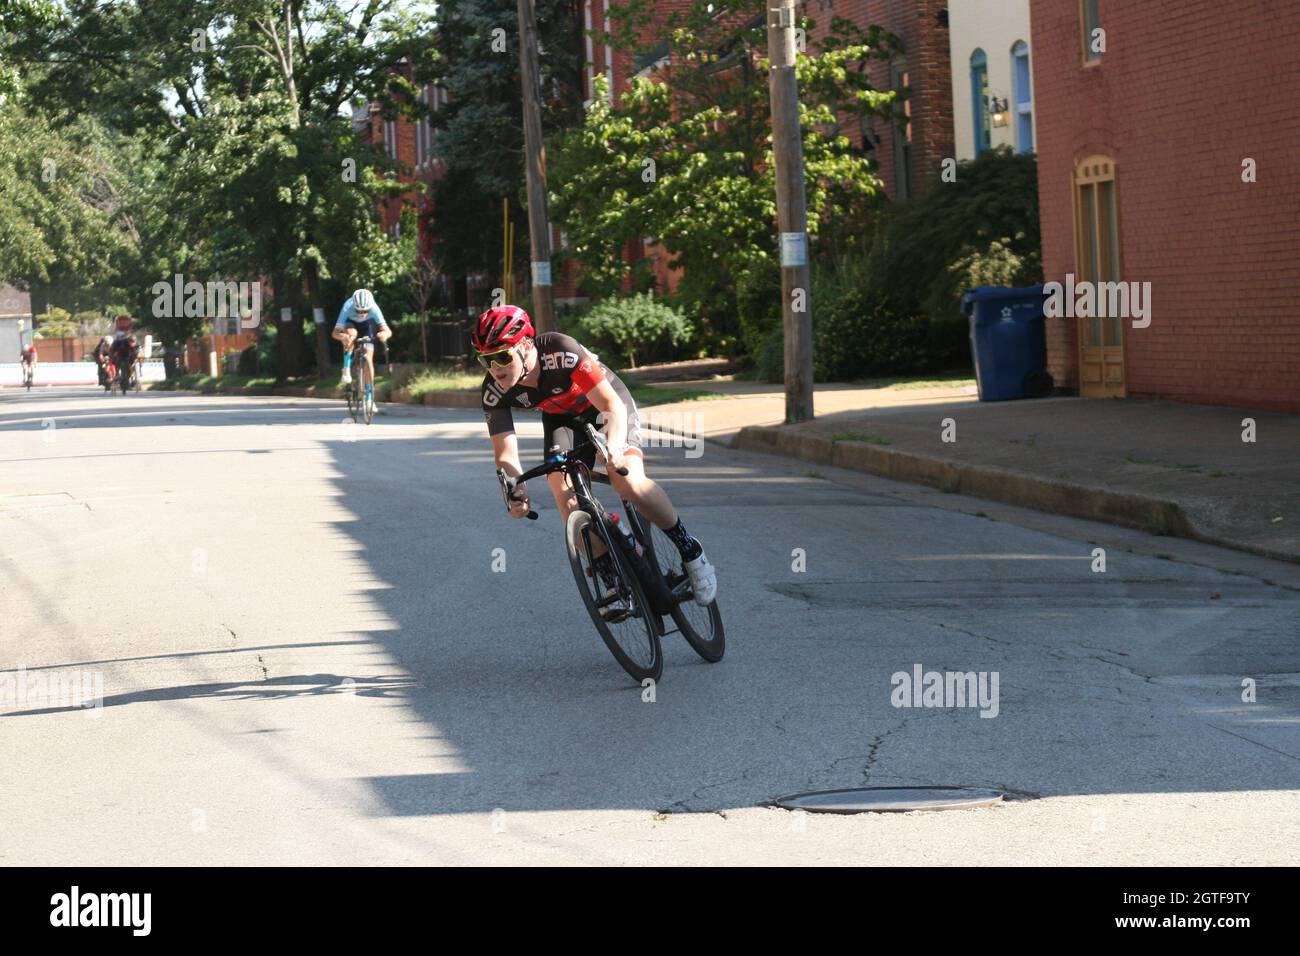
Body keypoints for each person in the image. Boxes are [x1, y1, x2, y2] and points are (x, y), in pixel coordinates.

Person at [476, 304, 717, 607]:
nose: (495, 368)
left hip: (605, 405)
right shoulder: (493, 391)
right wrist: (515, 490)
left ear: (525, 345)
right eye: (486, 360)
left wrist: (614, 448)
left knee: (626, 479)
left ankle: (691, 552)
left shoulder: (560, 350)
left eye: (502, 356)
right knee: (563, 492)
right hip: (563, 420)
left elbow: (611, 406)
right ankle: (612, 578)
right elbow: (505, 452)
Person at [332, 289, 391, 399]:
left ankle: (369, 398)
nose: (362, 314)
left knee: (368, 358)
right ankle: (346, 369)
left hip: (367, 325)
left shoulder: (374, 308)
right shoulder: (347, 307)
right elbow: (334, 333)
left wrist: (384, 334)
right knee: (352, 334)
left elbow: (387, 330)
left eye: (365, 311)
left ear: (370, 307)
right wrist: (343, 337)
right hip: (350, 323)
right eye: (358, 311)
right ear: (354, 306)